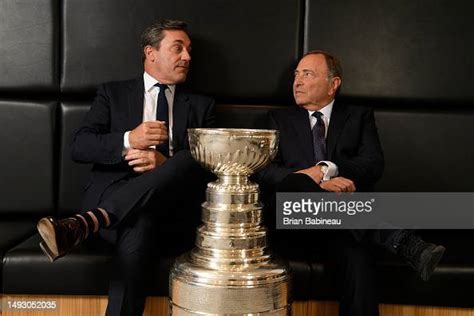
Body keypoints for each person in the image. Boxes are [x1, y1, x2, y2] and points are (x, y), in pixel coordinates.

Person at [36, 20, 215, 316]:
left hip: (170, 214)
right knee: (138, 223)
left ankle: (85, 222)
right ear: (151, 52)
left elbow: (209, 169)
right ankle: (101, 217)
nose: (187, 57)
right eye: (178, 48)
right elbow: (79, 146)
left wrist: (164, 165)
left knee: (190, 157)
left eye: (189, 50)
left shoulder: (202, 106)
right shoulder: (112, 94)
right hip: (116, 214)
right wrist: (128, 139)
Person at [257, 50, 445, 316]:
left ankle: (397, 240)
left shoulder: (358, 116)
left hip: (345, 228)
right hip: (295, 221)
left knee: (359, 260)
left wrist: (327, 168)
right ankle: (402, 241)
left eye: (307, 74)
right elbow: (264, 171)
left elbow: (372, 165)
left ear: (333, 84)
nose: (297, 81)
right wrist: (315, 180)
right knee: (297, 185)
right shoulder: (277, 119)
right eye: (296, 74)